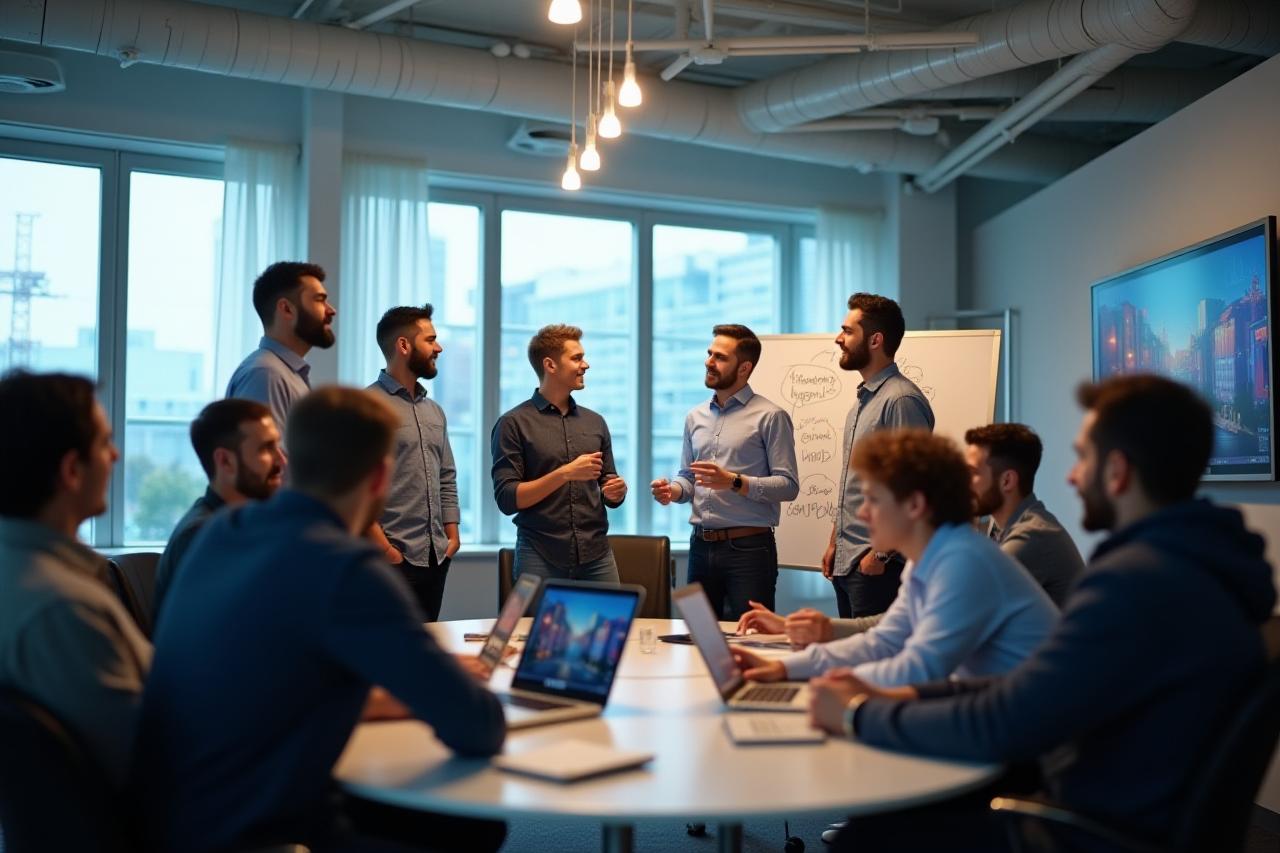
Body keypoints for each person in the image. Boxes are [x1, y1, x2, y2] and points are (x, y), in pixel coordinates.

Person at [809, 375, 1277, 853]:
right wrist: (907, 694)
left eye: (1082, 458)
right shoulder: (1191, 567)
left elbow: (1007, 720)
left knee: (870, 837)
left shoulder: (1134, 583)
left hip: (1090, 830)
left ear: (1116, 471)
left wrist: (859, 715)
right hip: (1121, 808)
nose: (1073, 476)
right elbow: (1032, 685)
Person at [135, 387, 505, 853]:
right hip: (260, 834)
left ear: (291, 461)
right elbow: (478, 727)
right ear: (379, 478)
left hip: (172, 817)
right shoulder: (348, 567)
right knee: (475, 827)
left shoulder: (222, 533)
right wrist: (438, 682)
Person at [732, 429, 1056, 689]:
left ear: (914, 505)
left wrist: (827, 683)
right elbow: (884, 642)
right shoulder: (928, 557)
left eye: (873, 499)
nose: (861, 512)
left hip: (1036, 750)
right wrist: (782, 667)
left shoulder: (962, 562)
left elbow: (919, 668)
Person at [0, 371, 149, 789]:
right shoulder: (67, 609)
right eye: (104, 443)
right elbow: (155, 763)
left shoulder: (20, 573)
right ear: (71, 470)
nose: (116, 456)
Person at [651, 325, 799, 618]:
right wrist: (674, 491)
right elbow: (689, 477)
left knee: (751, 637)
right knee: (698, 636)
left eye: (719, 357)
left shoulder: (770, 416)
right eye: (709, 354)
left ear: (744, 367)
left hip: (749, 550)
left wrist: (733, 482)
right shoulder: (695, 417)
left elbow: (788, 485)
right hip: (700, 546)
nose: (708, 361)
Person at [824, 293, 934, 619]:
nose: (838, 339)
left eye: (847, 331)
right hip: (849, 561)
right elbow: (854, 482)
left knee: (875, 666)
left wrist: (881, 556)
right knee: (853, 663)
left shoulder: (900, 400)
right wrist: (835, 543)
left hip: (876, 567)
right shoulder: (864, 400)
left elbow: (913, 485)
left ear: (875, 339)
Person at [491, 324, 628, 582]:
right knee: (536, 625)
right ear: (550, 366)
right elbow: (507, 499)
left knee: (610, 624)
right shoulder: (513, 423)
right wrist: (565, 474)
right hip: (539, 554)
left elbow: (608, 485)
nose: (585, 365)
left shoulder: (595, 422)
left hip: (596, 554)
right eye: (576, 358)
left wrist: (616, 491)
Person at [367, 304, 460, 622]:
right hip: (390, 558)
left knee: (425, 648)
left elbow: (446, 475)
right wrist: (385, 550)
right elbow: (355, 487)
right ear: (404, 346)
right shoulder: (366, 407)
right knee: (385, 659)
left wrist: (452, 536)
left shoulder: (435, 410)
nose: (439, 347)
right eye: (431, 339)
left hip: (437, 556)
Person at [152, 398, 285, 621]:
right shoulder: (202, 536)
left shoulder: (241, 526)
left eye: (277, 446)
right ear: (225, 462)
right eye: (266, 448)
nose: (281, 461)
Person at [965, 422, 1085, 606]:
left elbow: (967, 606)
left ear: (1007, 481)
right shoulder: (1003, 529)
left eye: (973, 473)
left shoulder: (1032, 536)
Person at [225, 261, 335, 433]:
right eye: (319, 300)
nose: (331, 310)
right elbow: (263, 457)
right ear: (286, 309)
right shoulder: (267, 375)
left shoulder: (285, 373)